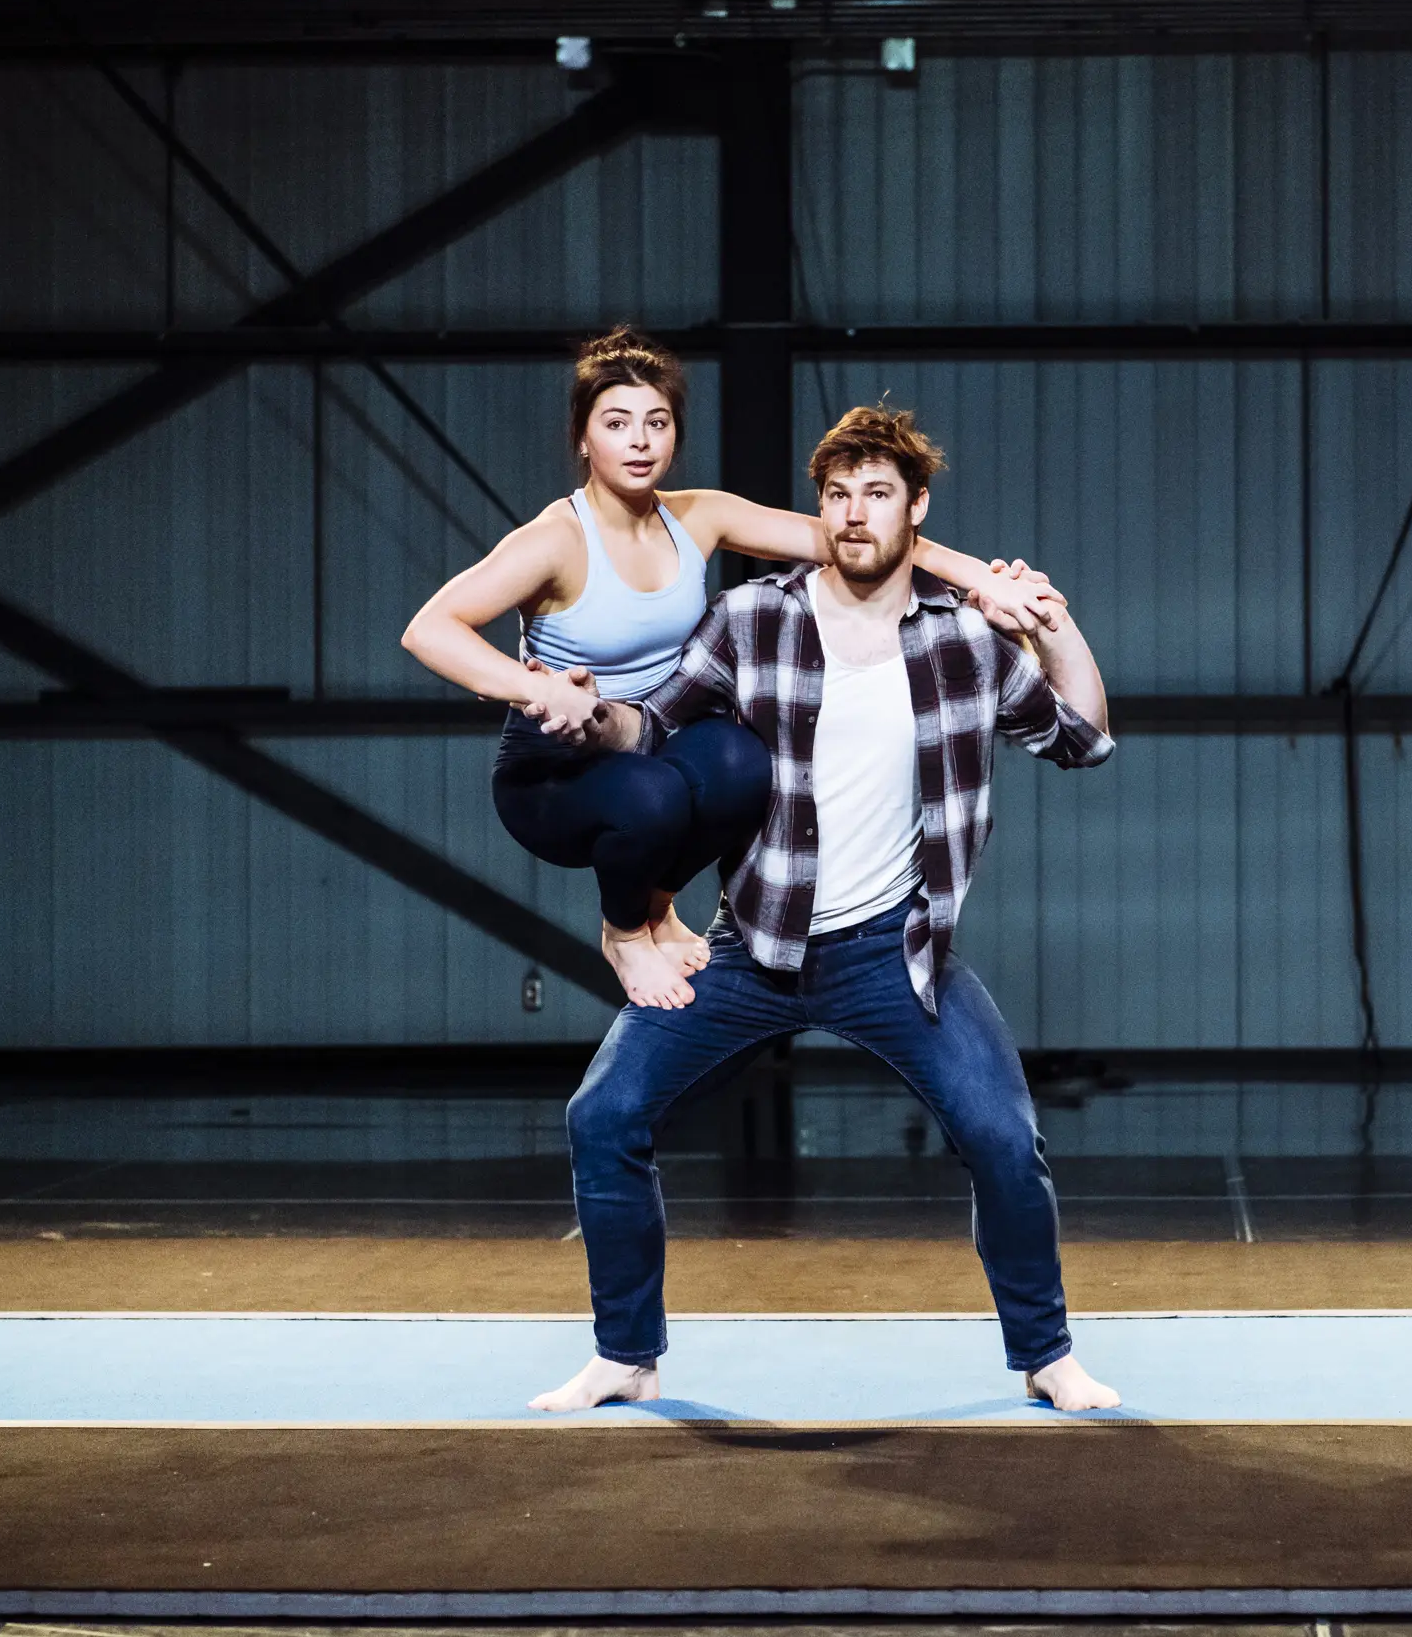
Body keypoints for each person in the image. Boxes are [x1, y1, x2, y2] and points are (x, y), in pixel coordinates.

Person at [524, 402, 1124, 1414]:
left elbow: (1082, 738)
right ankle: (626, 1351)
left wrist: (1057, 627)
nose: (854, 513)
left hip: (896, 954)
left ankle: (1045, 1352)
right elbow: (654, 723)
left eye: (877, 494)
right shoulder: (754, 619)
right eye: (838, 495)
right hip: (752, 946)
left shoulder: (964, 644)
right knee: (604, 1113)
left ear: (914, 509)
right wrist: (591, 709)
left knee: (1002, 1137)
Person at [401, 328, 1067, 1009]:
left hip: (653, 740)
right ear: (583, 438)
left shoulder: (698, 517)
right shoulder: (555, 541)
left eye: (656, 423)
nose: (639, 441)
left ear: (674, 435)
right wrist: (534, 686)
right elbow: (429, 629)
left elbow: (846, 540)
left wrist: (984, 581)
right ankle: (625, 932)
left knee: (746, 761)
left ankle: (658, 903)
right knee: (652, 795)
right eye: (617, 423)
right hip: (555, 771)